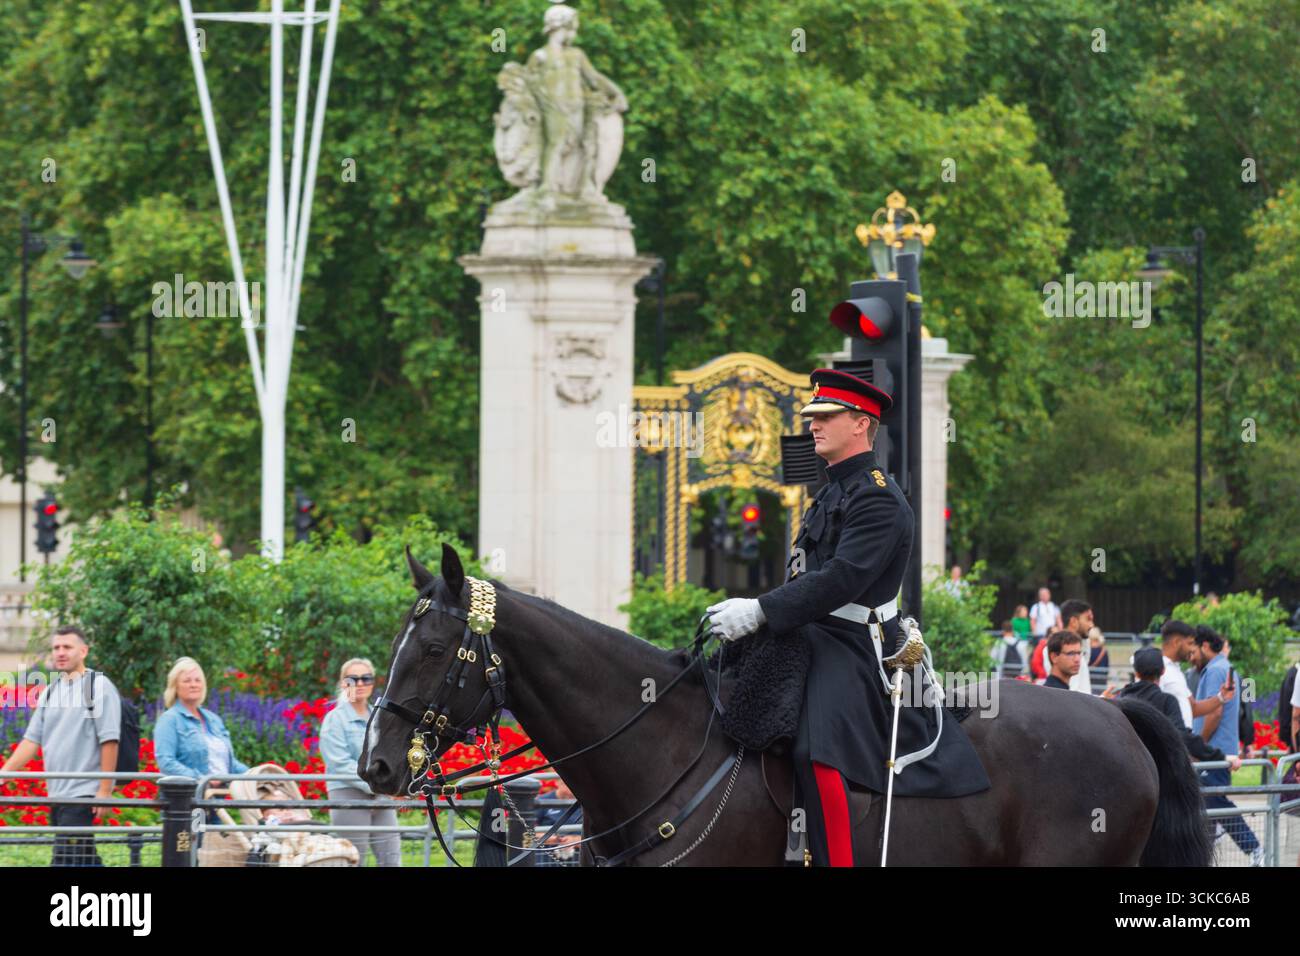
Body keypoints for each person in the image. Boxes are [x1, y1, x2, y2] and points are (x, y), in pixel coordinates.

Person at [705, 368, 988, 867]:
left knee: (817, 749)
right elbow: (804, 578)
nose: (813, 424)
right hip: (812, 632)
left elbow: (841, 579)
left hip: (855, 641)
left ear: (861, 423)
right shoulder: (835, 490)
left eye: (826, 416)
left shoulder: (878, 496)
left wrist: (759, 610)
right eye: (812, 416)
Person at [2, 626, 121, 866]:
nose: (60, 652)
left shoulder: (96, 686)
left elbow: (109, 739)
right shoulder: (50, 691)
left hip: (82, 794)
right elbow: (31, 740)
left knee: (65, 860)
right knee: (83, 859)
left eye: (67, 647)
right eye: (56, 647)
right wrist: (3, 774)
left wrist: (105, 791)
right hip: (58, 793)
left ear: (83, 651)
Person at [319, 658, 401, 866]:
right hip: (348, 794)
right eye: (353, 679)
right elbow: (339, 764)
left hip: (381, 795)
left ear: (373, 683)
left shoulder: (379, 717)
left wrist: (392, 784)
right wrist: (378, 786)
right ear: (343, 683)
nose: (360, 684)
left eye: (366, 678)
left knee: (391, 858)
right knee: (354, 860)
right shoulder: (334, 719)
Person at [1191, 627, 1262, 864]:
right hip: (1220, 747)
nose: (1192, 656)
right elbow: (1242, 710)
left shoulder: (1215, 671)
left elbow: (1215, 711)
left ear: (1205, 646)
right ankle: (1203, 857)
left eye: (1194, 649)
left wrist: (1199, 745)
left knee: (1214, 801)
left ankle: (1253, 848)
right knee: (1209, 805)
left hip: (1214, 749)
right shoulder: (1228, 669)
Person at [1117, 648, 1236, 763]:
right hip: (1156, 771)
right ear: (1163, 671)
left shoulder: (1121, 700)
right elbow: (1181, 737)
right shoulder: (1166, 701)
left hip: (1126, 767)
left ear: (1136, 673)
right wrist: (1221, 757)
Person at [154, 658, 249, 785]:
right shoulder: (169, 720)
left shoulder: (214, 719)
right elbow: (166, 762)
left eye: (197, 680)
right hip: (186, 798)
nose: (193, 685)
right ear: (175, 687)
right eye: (187, 681)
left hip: (216, 798)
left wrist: (256, 774)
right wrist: (203, 780)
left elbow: (229, 764)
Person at [1088, 626, 1109, 694]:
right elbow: (1107, 666)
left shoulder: (1087, 650)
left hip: (1090, 679)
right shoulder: (1104, 651)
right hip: (1102, 679)